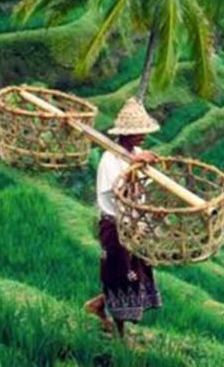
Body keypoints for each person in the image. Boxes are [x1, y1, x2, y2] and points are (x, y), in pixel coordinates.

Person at [84, 97, 163, 341]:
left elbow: (143, 187)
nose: (142, 136)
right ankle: (120, 336)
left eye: (143, 132)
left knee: (135, 274)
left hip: (134, 226)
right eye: (138, 133)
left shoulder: (136, 153)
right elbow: (118, 193)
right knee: (119, 275)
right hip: (115, 226)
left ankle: (97, 305)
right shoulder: (110, 160)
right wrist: (133, 168)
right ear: (125, 135)